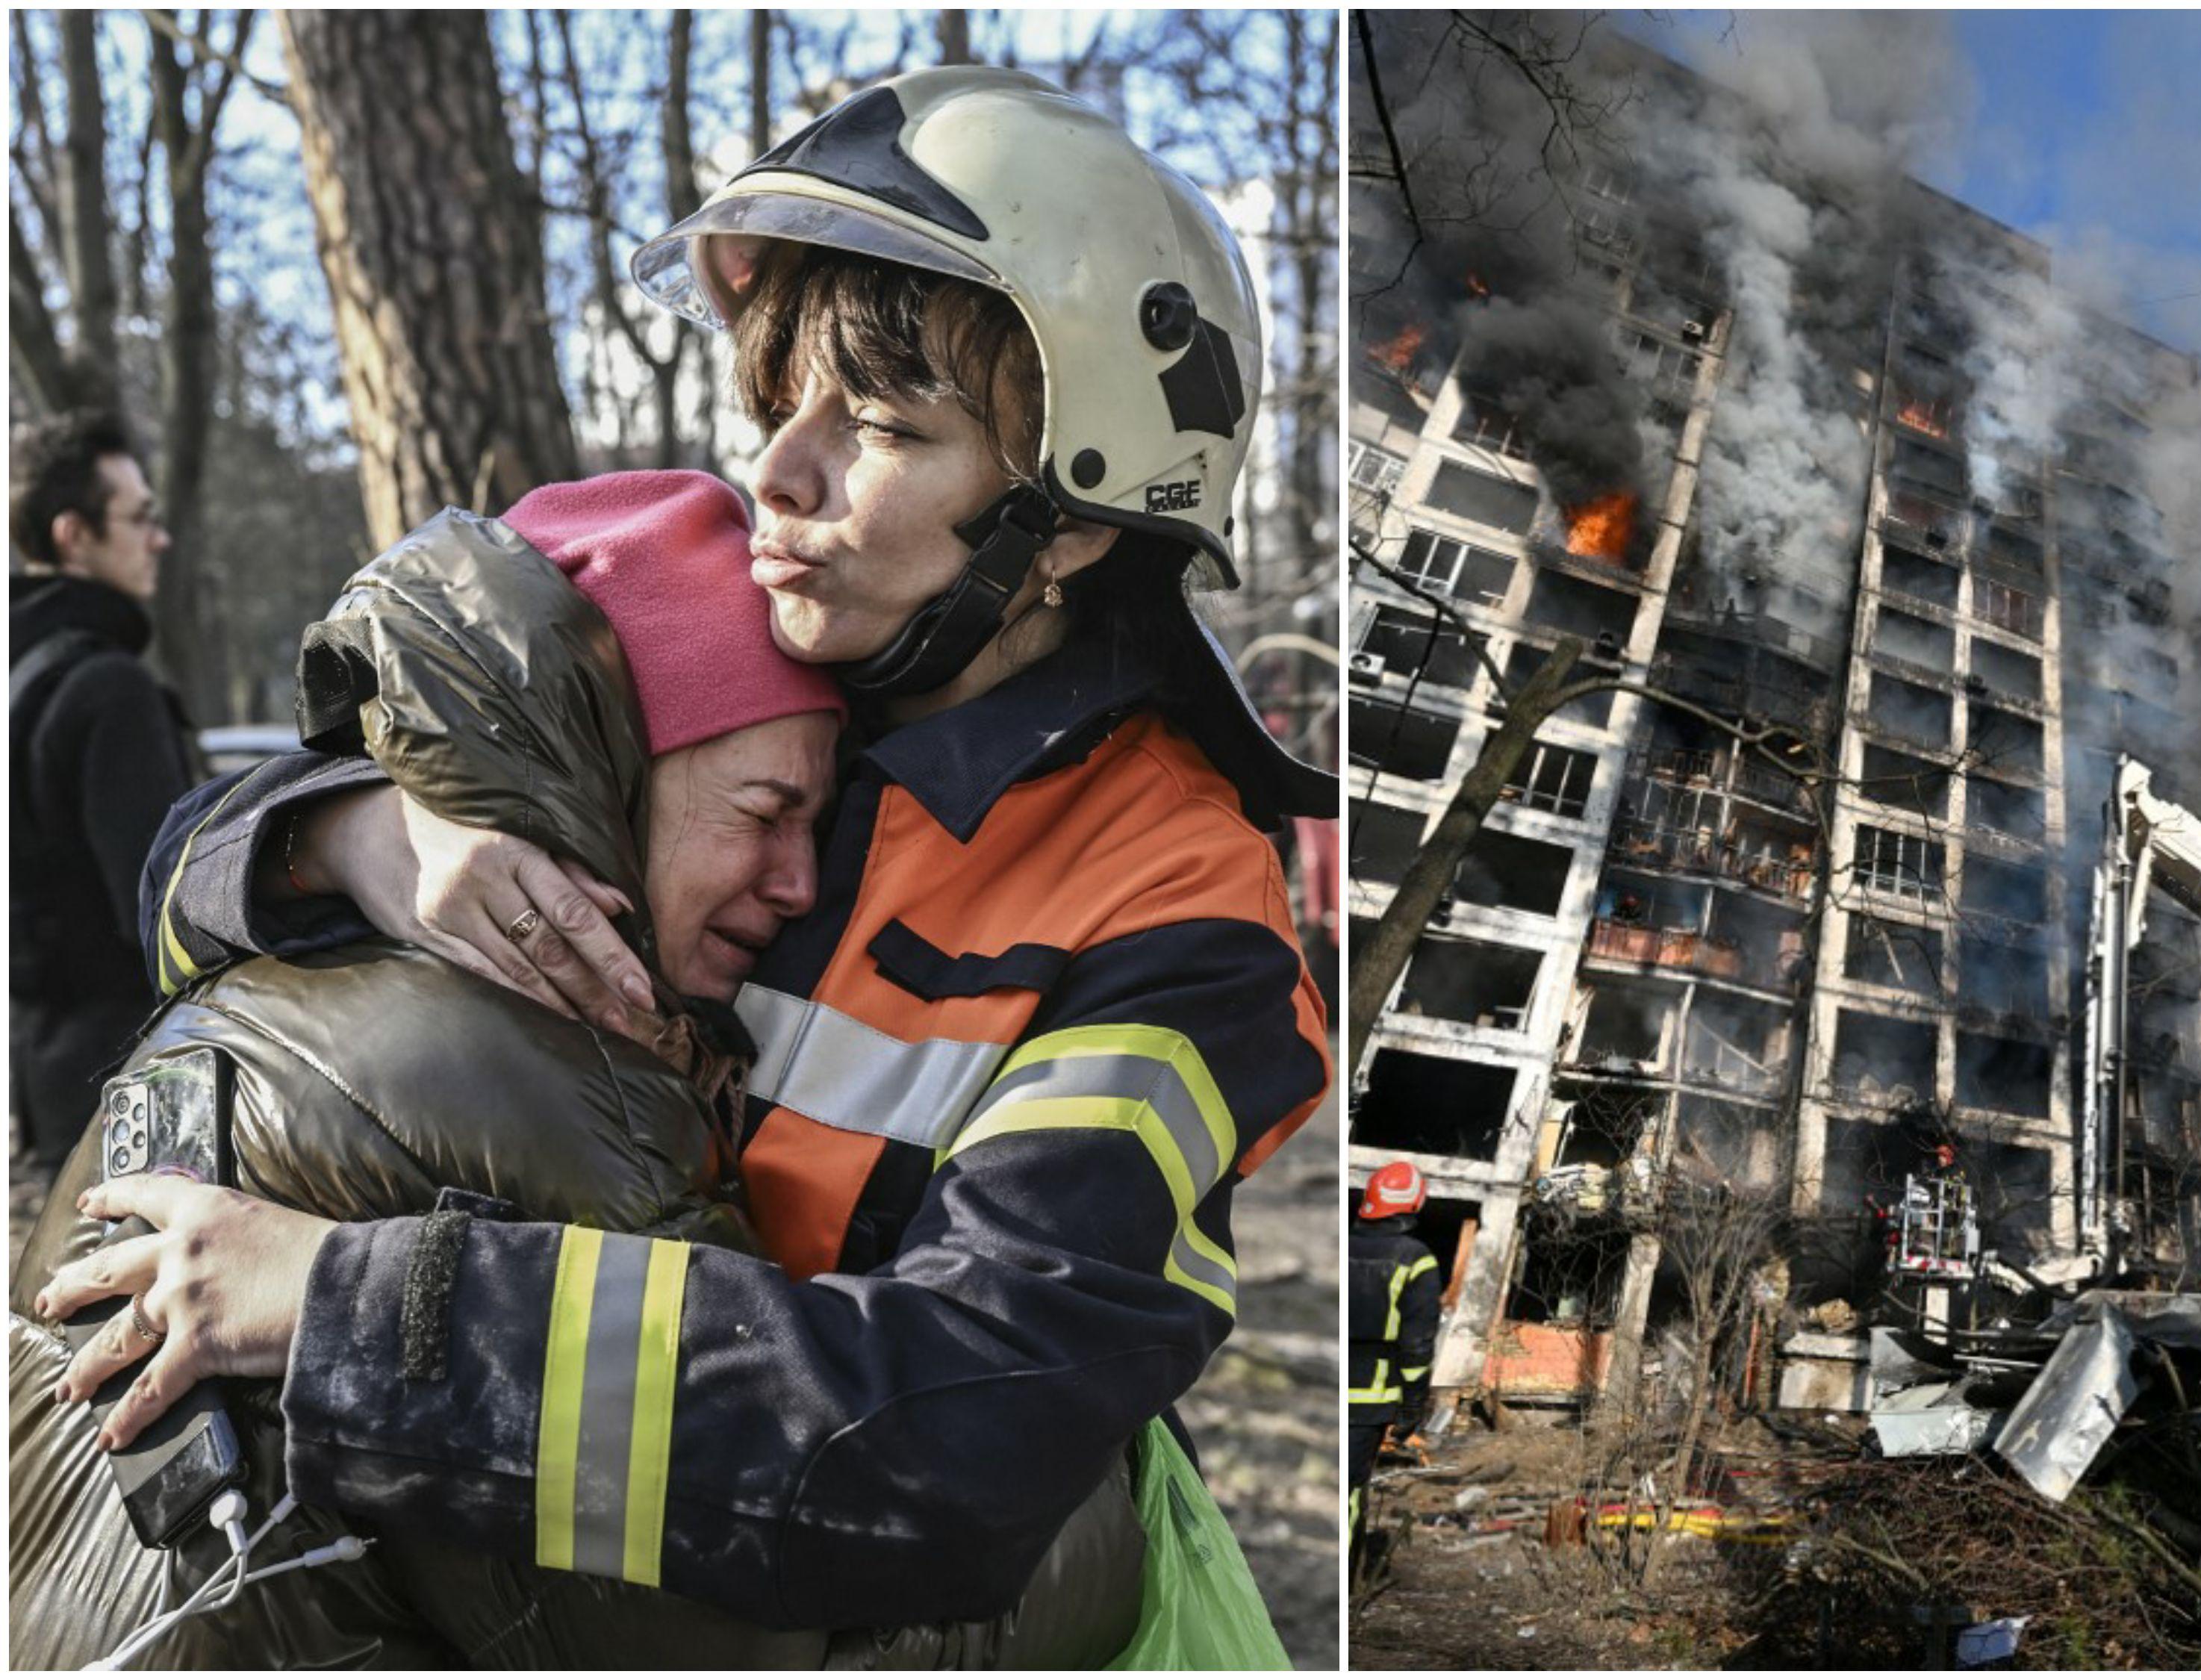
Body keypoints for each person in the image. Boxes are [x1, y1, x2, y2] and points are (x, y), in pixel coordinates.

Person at [42, 66, 1332, 1658]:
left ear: (1065, 527)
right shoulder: (760, 659)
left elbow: (961, 1432)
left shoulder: (1179, 907)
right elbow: (178, 875)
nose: (778, 477)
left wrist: (348, 1313)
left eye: (878, 425)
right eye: (775, 406)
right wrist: (364, 834)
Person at [9, 411, 201, 1172]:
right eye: (139, 518)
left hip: (43, 1075)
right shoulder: (107, 689)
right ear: (72, 534)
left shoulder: (18, 677)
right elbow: (168, 917)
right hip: (136, 1086)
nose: (159, 538)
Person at [1347, 1160, 1442, 1563]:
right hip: (1369, 1398)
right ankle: (1344, 1583)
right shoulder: (1415, 1261)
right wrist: (1412, 1407)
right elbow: (1417, 1346)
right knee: (1349, 1492)